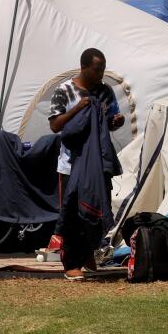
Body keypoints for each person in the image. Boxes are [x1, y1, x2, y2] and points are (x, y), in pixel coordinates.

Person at [48, 48, 124, 279]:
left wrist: (115, 122)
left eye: (102, 69)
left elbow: (107, 123)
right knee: (72, 212)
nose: (101, 73)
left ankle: (87, 252)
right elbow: (55, 125)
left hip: (96, 163)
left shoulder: (105, 92)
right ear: (83, 68)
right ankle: (71, 262)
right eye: (96, 69)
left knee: (94, 209)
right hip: (71, 163)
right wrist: (78, 109)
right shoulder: (64, 91)